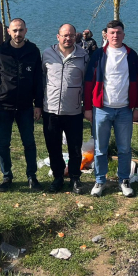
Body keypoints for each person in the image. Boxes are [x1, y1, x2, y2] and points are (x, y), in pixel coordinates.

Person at [84, 20, 138, 198]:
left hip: (124, 109)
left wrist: (137, 107)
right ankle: (100, 180)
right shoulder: (98, 55)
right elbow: (89, 82)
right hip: (102, 109)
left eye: (118, 32)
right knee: (100, 148)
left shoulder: (131, 55)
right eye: (112, 33)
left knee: (124, 148)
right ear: (106, 35)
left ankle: (124, 180)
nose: (115, 35)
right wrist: (87, 108)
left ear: (123, 35)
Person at [0, 18, 43, 192]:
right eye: (15, 31)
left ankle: (32, 176)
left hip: (26, 106)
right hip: (3, 105)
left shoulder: (33, 51)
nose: (18, 34)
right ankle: (7, 176)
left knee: (29, 142)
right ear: (9, 32)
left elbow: (38, 80)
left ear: (26, 31)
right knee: (3, 143)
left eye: (21, 30)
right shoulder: (0, 52)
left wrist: (38, 104)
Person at [42, 23, 90, 194]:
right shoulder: (47, 54)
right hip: (51, 110)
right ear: (58, 37)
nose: (68, 38)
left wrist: (86, 105)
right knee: (53, 146)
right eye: (64, 35)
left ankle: (75, 178)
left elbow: (87, 83)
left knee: (75, 147)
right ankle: (58, 177)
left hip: (74, 110)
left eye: (71, 35)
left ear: (75, 36)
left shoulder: (83, 56)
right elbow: (41, 78)